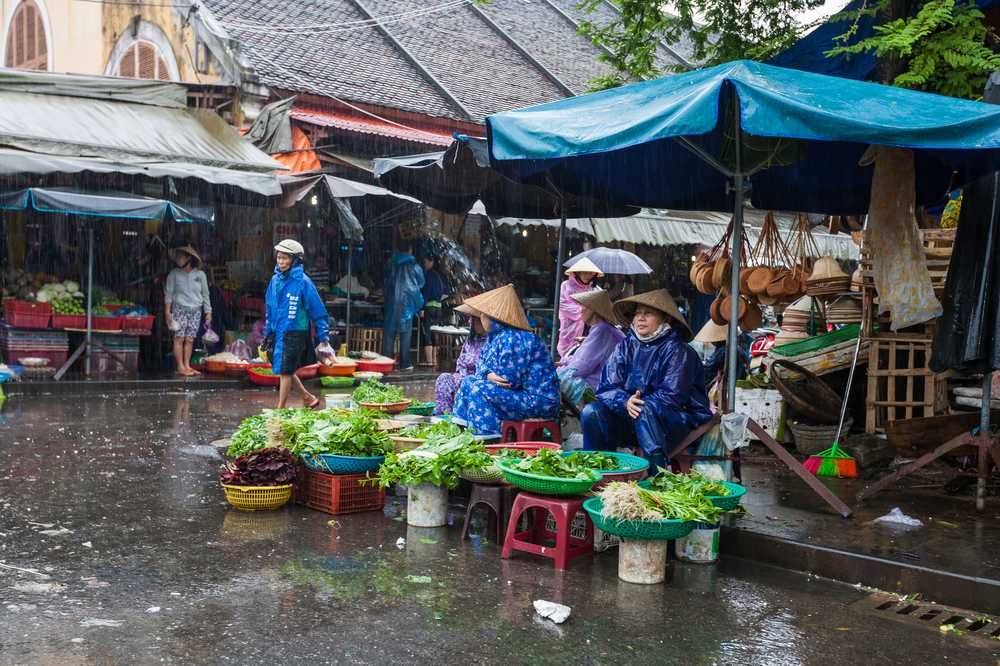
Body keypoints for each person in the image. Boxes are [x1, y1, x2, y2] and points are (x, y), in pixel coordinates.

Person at [581, 289, 712, 471]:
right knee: (591, 412)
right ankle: (597, 472)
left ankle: (656, 476)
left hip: (677, 423)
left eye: (648, 313)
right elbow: (606, 388)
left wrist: (637, 405)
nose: (640, 318)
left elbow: (671, 397)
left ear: (666, 319)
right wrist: (625, 401)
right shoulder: (626, 346)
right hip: (632, 417)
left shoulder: (678, 351)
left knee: (645, 409)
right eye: (638, 313)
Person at [453, 284, 559, 435]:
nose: (481, 318)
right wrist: (487, 375)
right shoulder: (494, 338)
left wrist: (486, 375)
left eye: (483, 315)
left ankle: (487, 439)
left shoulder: (515, 338)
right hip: (520, 395)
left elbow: (508, 381)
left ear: (492, 316)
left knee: (480, 390)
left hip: (538, 400)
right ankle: (460, 434)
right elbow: (481, 366)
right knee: (467, 382)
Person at [264, 239, 334, 409]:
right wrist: (267, 333)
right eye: (279, 258)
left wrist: (323, 338)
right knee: (283, 368)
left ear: (295, 260)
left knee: (286, 370)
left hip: (295, 333)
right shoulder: (274, 281)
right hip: (277, 332)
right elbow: (269, 308)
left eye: (285, 258)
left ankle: (280, 409)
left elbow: (318, 311)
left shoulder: (303, 282)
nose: (281, 262)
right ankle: (307, 397)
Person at [557, 289, 625, 406]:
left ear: (593, 309)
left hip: (602, 387)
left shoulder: (602, 329)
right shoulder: (602, 328)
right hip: (604, 382)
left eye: (583, 305)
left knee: (547, 380)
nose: (580, 309)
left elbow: (581, 367)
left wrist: (562, 363)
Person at [164, 245, 211, 377]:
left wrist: (208, 312)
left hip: (196, 310)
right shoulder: (173, 274)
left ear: (189, 258)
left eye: (181, 256)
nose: (178, 259)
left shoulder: (200, 275)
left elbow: (205, 294)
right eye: (177, 256)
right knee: (179, 338)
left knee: (190, 339)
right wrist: (167, 312)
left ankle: (187, 365)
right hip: (179, 309)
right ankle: (180, 366)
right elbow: (168, 294)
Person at [434, 303, 487, 414]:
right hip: (463, 376)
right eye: (474, 321)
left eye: (479, 321)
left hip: (481, 380)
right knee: (443, 378)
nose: (476, 324)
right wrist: (461, 377)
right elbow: (461, 362)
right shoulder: (471, 341)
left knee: (468, 382)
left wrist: (467, 379)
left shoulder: (493, 342)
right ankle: (445, 416)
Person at [383, 244, 424, 372]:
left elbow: (385, 282)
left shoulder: (391, 264)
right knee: (405, 336)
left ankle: (386, 363)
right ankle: (404, 364)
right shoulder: (415, 267)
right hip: (407, 306)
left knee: (389, 335)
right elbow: (421, 283)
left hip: (391, 305)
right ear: (410, 250)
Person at [557, 257, 602, 359]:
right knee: (568, 356)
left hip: (590, 327)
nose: (587, 275)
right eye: (584, 272)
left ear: (594, 274)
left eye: (590, 273)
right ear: (578, 272)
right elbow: (563, 305)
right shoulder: (566, 286)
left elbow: (602, 307)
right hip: (570, 328)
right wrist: (584, 310)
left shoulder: (595, 289)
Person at [420, 254, 448, 368]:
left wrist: (421, 308)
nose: (424, 265)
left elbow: (425, 293)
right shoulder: (441, 276)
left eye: (426, 262)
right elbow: (447, 292)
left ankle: (429, 361)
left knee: (427, 334)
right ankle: (435, 361)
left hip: (429, 307)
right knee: (435, 333)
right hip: (438, 308)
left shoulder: (429, 275)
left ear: (431, 262)